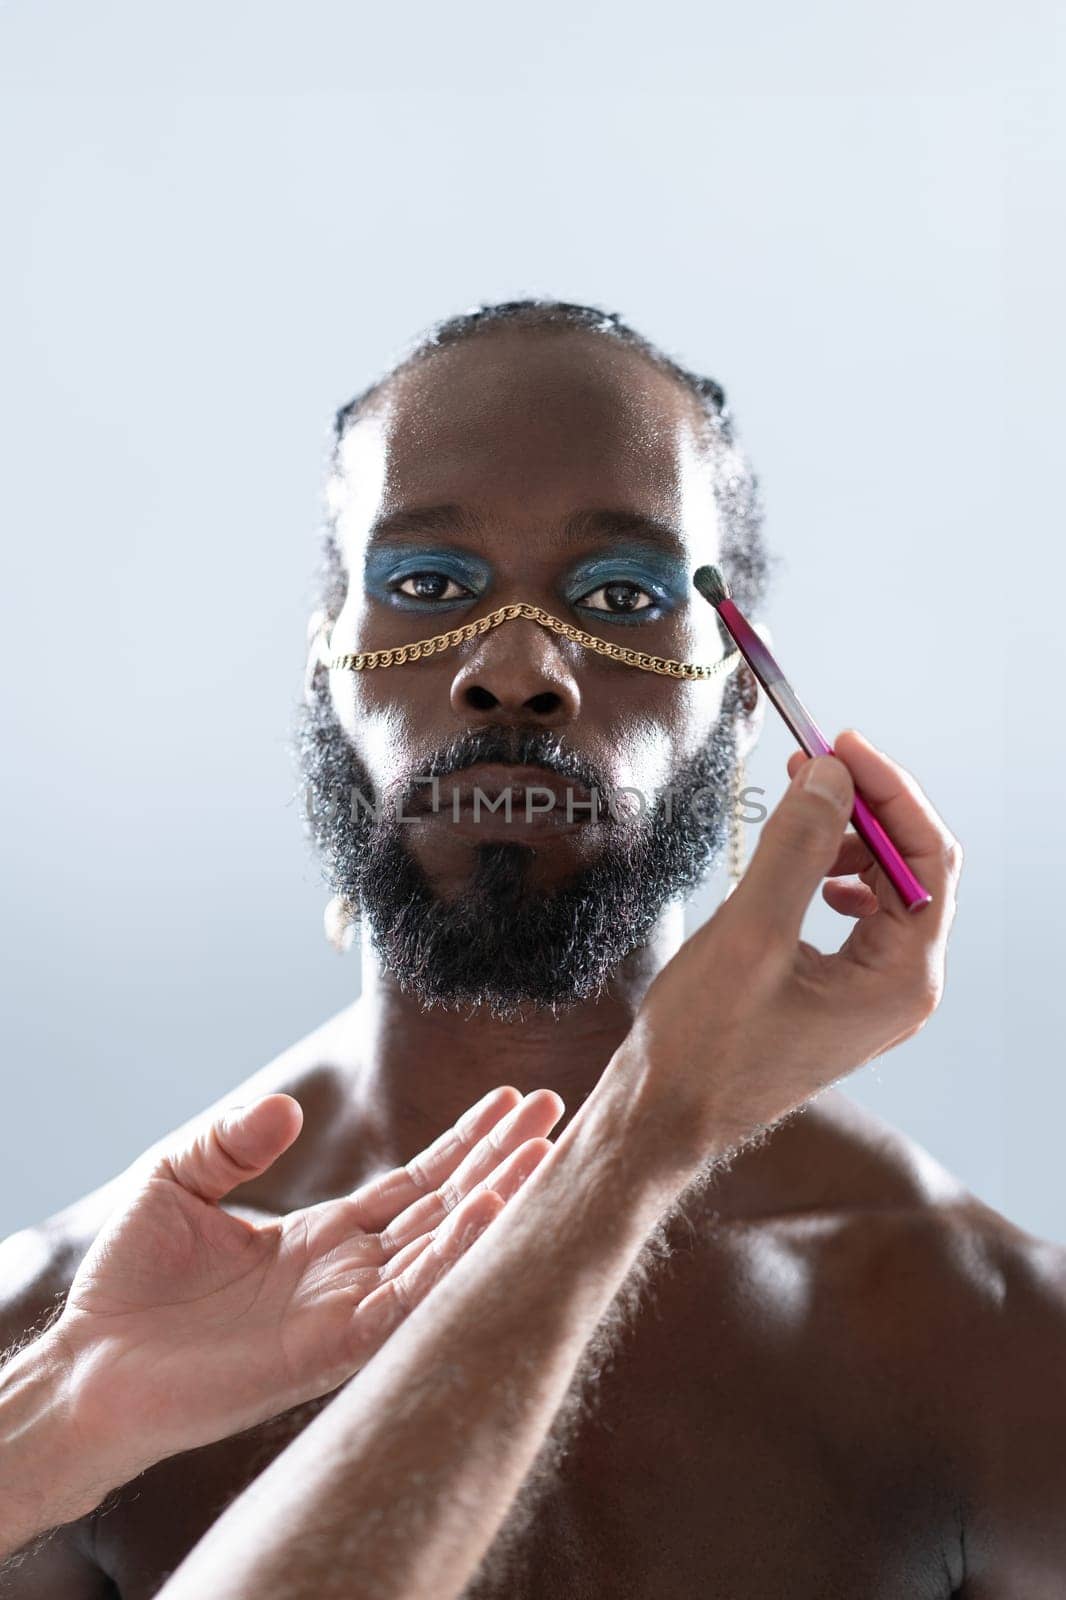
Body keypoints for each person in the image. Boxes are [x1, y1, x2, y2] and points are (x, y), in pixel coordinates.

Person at [1, 300, 1062, 1599]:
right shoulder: (56, 1335)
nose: (512, 667)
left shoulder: (989, 1340)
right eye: (427, 586)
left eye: (620, 595)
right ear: (324, 656)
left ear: (739, 686)